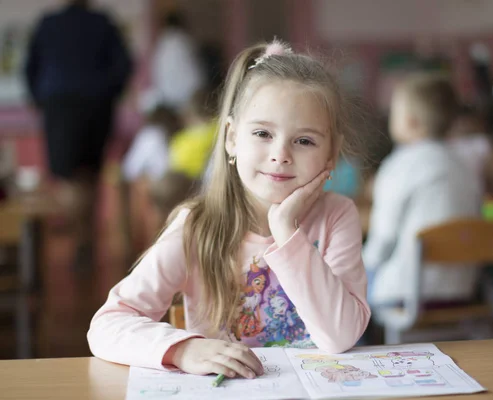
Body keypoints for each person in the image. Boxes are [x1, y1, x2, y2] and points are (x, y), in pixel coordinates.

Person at [88, 40, 371, 377]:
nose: (281, 154)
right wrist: (183, 349)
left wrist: (286, 230)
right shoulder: (197, 226)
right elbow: (107, 325)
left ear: (331, 153)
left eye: (305, 140)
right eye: (263, 133)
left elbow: (340, 337)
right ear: (232, 138)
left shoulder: (337, 216)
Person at [24, 0, 132, 268]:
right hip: (97, 104)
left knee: (66, 176)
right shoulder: (103, 22)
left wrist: (42, 98)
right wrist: (107, 93)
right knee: (91, 175)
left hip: (59, 104)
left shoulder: (48, 24)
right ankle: (86, 239)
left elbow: (30, 68)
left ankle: (80, 239)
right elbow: (124, 65)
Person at [363, 73, 482, 307]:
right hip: (462, 287)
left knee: (348, 285)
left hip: (407, 291)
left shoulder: (399, 164)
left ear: (410, 121)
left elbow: (383, 238)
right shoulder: (465, 164)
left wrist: (358, 265)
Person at [151, 11, 206, 111]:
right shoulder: (184, 41)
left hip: (168, 95)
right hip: (188, 94)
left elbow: (157, 72)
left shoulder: (161, 45)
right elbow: (194, 69)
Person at [122, 105, 182, 183]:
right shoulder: (151, 135)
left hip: (159, 183)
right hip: (149, 183)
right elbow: (130, 170)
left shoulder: (150, 134)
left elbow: (130, 169)